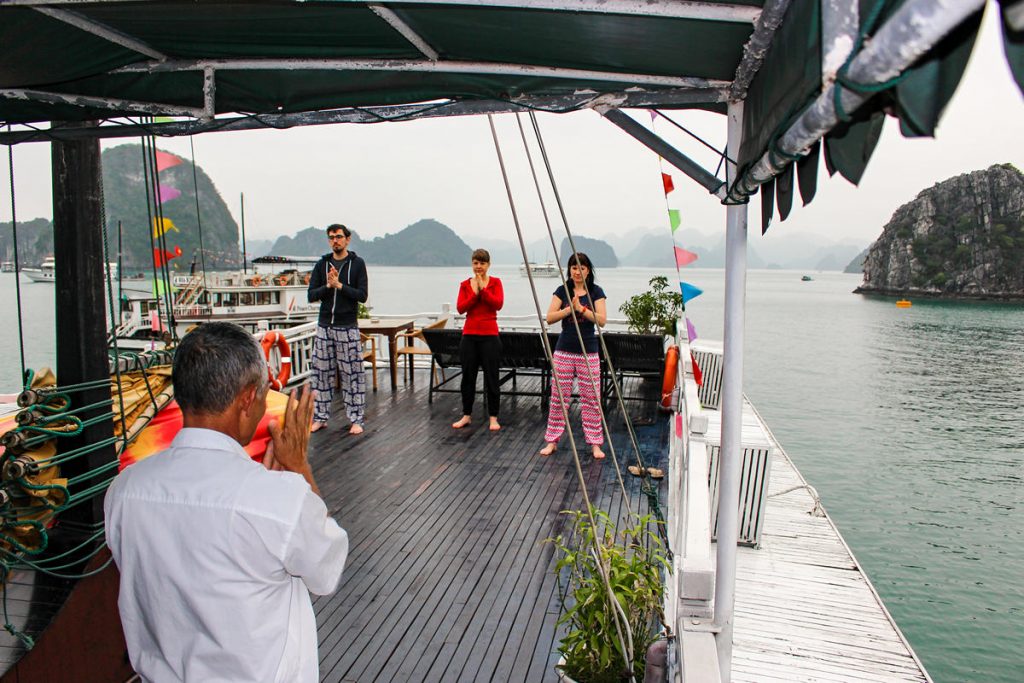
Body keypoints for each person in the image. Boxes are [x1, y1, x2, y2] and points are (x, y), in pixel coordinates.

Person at [104, 322, 348, 683]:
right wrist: (299, 470)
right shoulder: (278, 499)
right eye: (264, 394)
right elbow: (326, 570)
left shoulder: (125, 491)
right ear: (248, 398)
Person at [539, 252, 607, 459]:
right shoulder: (562, 290)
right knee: (559, 398)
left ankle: (595, 443)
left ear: (588, 270)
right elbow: (549, 318)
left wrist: (581, 309)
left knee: (591, 399)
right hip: (564, 350)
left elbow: (602, 320)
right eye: (574, 267)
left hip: (588, 351)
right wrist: (569, 310)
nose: (578, 271)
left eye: (582, 268)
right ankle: (552, 441)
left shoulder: (596, 291)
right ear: (569, 270)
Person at [307, 223, 369, 434]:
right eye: (332, 237)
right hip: (324, 326)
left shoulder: (357, 264)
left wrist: (340, 286)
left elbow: (362, 295)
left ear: (348, 239)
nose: (335, 240)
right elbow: (311, 295)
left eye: (339, 237)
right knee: (321, 374)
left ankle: (356, 419)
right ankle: (320, 416)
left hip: (347, 326)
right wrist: (328, 286)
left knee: (352, 375)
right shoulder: (321, 265)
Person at [452, 248, 504, 431]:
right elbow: (460, 308)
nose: (479, 266)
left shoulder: (496, 283)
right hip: (470, 336)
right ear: (472, 264)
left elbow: (497, 304)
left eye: (482, 263)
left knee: (492, 378)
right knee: (468, 377)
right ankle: (466, 414)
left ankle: (493, 417)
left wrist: (484, 290)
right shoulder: (465, 285)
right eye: (476, 262)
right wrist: (475, 294)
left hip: (490, 336)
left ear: (488, 265)